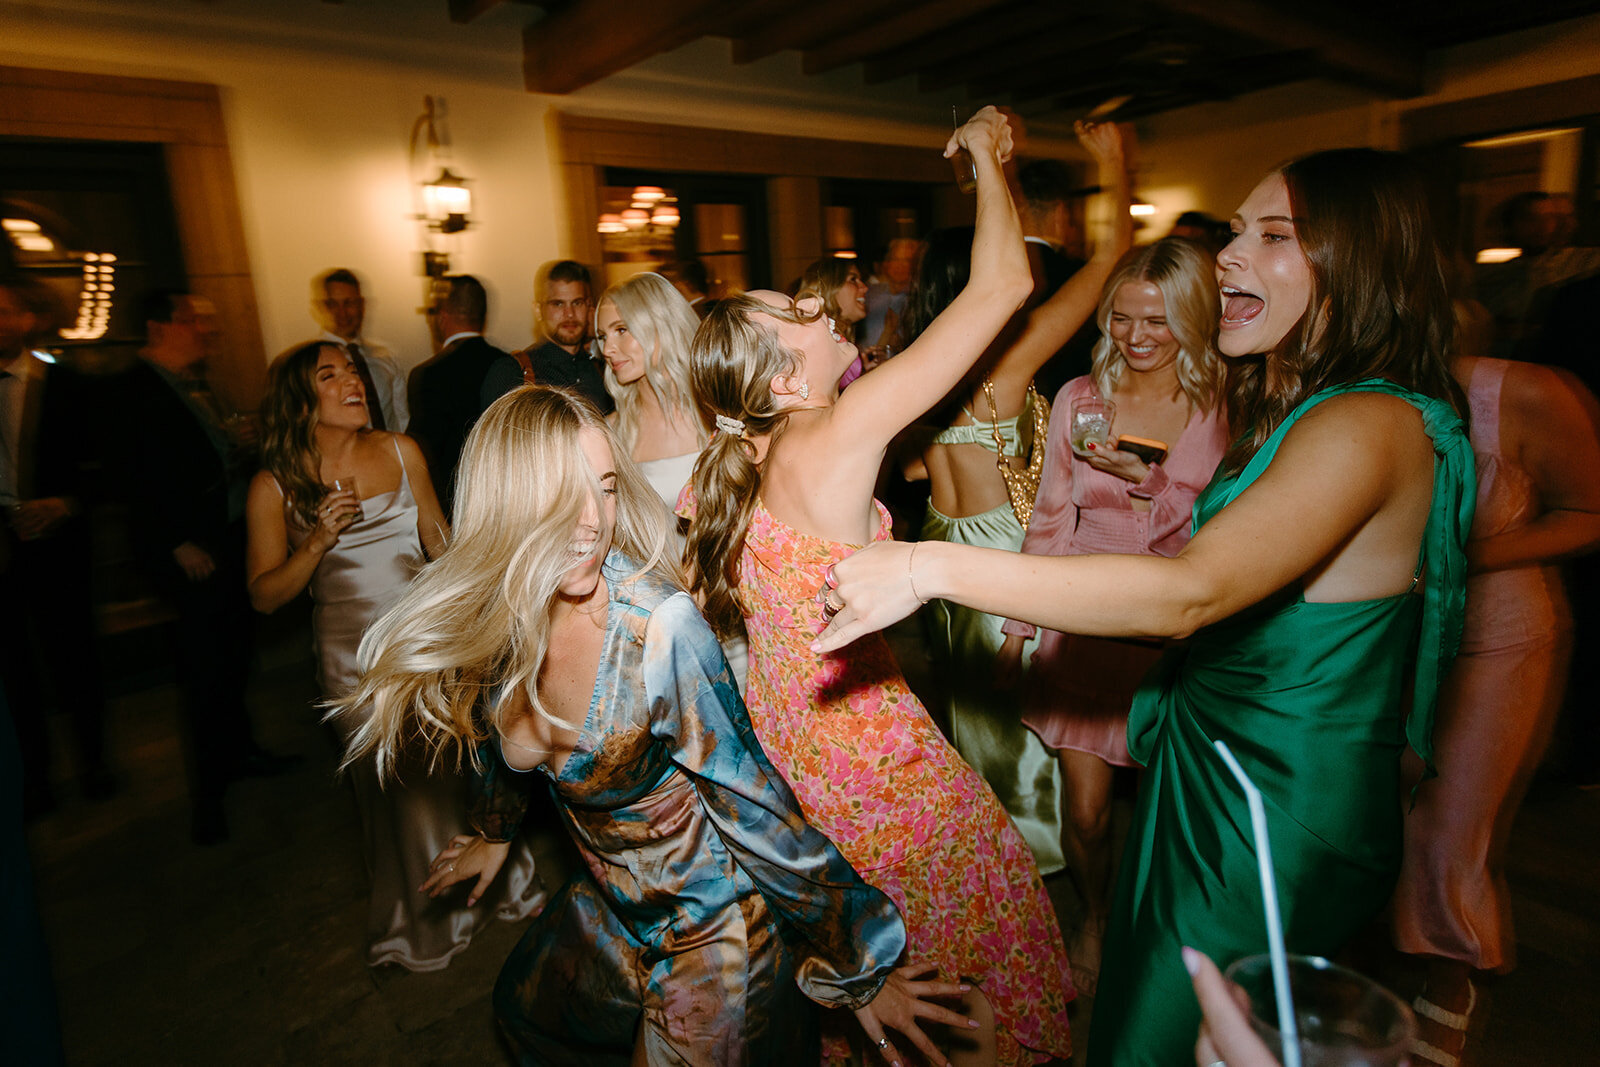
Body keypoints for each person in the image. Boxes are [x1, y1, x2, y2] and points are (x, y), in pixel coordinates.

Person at [814, 147, 1478, 1066]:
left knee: (1168, 1036)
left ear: (1358, 261)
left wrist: (927, 566)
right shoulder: (1300, 401)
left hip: (1272, 802)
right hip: (1219, 763)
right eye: (1237, 231)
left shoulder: (1363, 422)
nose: (1231, 255)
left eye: (1273, 235)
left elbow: (1192, 590)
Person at [335, 386, 973, 1066]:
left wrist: (857, 962)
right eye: (562, 493)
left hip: (715, 922)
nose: (592, 521)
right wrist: (495, 830)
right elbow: (500, 736)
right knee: (523, 1011)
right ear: (508, 504)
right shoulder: (495, 618)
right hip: (617, 901)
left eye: (605, 488)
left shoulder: (656, 629)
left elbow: (755, 802)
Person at [682, 106, 1073, 1066]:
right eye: (799, 317)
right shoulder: (838, 427)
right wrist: (985, 158)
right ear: (780, 382)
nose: (824, 313)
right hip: (880, 766)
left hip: (805, 769)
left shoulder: (731, 465)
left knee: (890, 979)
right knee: (970, 963)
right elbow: (1007, 284)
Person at [245, 340, 542, 971]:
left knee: (454, 769)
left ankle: (490, 882)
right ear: (302, 400)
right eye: (331, 375)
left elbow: (439, 540)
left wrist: (480, 600)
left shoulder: (402, 452)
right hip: (352, 661)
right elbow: (266, 596)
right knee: (395, 788)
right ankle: (420, 916)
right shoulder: (274, 485)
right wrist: (318, 539)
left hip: (427, 645)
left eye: (352, 370)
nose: (352, 381)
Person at [897, 121, 1129, 889]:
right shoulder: (1002, 371)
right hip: (1003, 561)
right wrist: (1116, 169)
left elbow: (912, 470)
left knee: (982, 738)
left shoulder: (906, 374)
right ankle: (1047, 883)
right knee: (1044, 745)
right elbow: (1106, 264)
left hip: (943, 564)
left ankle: (997, 879)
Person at [994, 238, 1228, 994]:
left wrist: (1149, 486)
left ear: (1193, 318)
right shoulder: (1080, 398)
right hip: (1085, 622)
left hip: (1176, 629)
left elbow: (1226, 532)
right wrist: (1019, 623)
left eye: (1156, 321)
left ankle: (1166, 940)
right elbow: (1051, 514)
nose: (1135, 336)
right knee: (1089, 815)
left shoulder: (1222, 404)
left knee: (1177, 816)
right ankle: (1092, 916)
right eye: (1121, 318)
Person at [1391, 355, 1600, 1067]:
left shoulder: (1524, 392)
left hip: (1495, 640)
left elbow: (1588, 515)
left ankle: (1452, 982)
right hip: (1387, 640)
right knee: (1391, 812)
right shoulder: (1345, 386)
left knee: (1453, 827)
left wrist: (1466, 553)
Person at [117, 290, 293, 845]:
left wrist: (239, 444)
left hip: (228, 541)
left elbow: (205, 460)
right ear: (162, 325)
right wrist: (175, 543)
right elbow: (130, 480)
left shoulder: (199, 383)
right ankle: (208, 797)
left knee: (234, 656)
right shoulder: (134, 389)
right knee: (203, 672)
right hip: (190, 553)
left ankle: (241, 752)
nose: (208, 333)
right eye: (198, 321)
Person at [0, 275, 114, 817]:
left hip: (57, 544)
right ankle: (34, 778)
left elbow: (106, 467)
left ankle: (93, 763)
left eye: (3, 311)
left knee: (74, 657)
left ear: (26, 319)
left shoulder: (63, 385)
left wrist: (65, 503)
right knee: (12, 668)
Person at [406, 274, 509, 514]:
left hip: (453, 507)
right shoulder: (508, 364)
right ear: (482, 315)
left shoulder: (426, 375)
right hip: (505, 502)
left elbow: (422, 457)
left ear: (442, 317)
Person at [481, 260, 612, 414]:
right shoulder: (513, 372)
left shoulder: (605, 370)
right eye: (558, 304)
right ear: (538, 310)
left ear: (589, 306)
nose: (569, 314)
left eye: (577, 303)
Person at [314, 268, 408, 431]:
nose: (342, 313)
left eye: (349, 303)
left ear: (362, 305)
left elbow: (402, 417)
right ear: (323, 307)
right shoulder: (312, 362)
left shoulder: (387, 356)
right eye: (334, 304)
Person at [799, 257, 873, 388]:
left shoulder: (835, 334)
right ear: (829, 287)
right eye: (853, 280)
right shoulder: (817, 339)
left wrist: (864, 374)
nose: (864, 287)